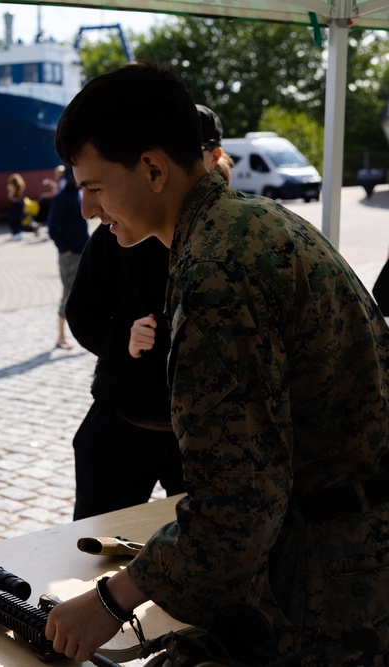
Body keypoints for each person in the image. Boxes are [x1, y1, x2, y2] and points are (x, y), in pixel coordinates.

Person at [45, 60, 389, 667]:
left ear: (153, 169)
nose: (89, 209)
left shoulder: (217, 273)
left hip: (329, 587)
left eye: (95, 187)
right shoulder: (250, 223)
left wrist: (110, 599)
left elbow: (237, 509)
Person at [63, 104, 232, 521]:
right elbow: (81, 313)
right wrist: (123, 338)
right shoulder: (115, 232)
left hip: (201, 437)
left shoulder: (230, 238)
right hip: (122, 422)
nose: (90, 210)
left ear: (214, 156)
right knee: (95, 547)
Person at [46, 176, 89, 350]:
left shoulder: (78, 195)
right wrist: (65, 249)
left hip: (82, 252)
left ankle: (85, 333)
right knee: (68, 294)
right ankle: (60, 337)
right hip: (69, 256)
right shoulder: (61, 198)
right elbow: (52, 228)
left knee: (85, 292)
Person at [6, 173, 26, 240]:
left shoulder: (12, 187)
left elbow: (10, 196)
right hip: (20, 203)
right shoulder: (21, 185)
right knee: (19, 219)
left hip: (14, 203)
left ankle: (16, 233)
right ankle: (18, 232)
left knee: (13, 220)